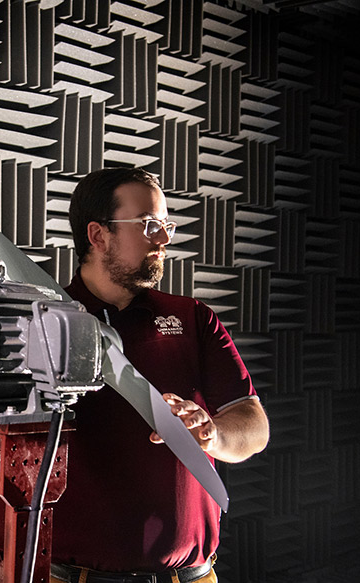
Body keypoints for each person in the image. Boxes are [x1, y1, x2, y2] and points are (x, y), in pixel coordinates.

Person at [50, 167, 270, 583]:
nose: (164, 239)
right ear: (98, 236)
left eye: (166, 225)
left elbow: (254, 426)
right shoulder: (42, 325)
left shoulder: (192, 319)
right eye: (150, 225)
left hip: (191, 577)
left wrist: (213, 434)